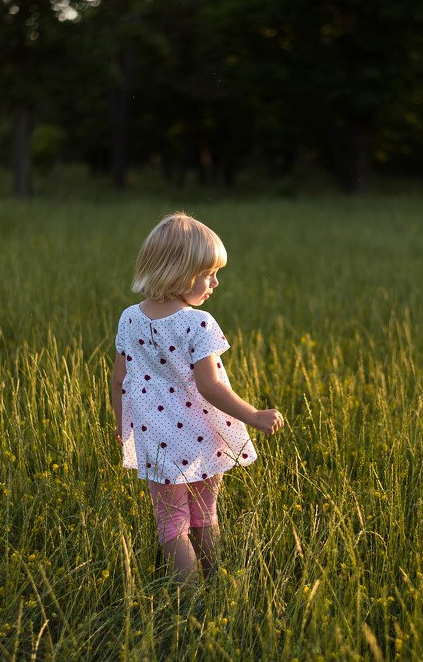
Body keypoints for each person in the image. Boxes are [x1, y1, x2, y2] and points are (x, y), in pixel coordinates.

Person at [109, 212, 284, 584]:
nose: (215, 283)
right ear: (179, 272)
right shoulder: (197, 323)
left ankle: (191, 603)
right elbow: (210, 386)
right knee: (205, 512)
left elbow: (118, 379)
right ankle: (213, 587)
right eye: (208, 274)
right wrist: (253, 414)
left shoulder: (129, 318)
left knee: (172, 523)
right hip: (202, 435)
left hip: (155, 437)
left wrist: (120, 425)